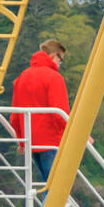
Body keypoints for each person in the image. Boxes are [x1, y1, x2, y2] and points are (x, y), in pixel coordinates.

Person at [10, 39, 70, 198]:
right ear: (54, 55)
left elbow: (15, 116)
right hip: (51, 142)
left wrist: (22, 141)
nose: (59, 64)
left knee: (48, 186)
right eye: (60, 59)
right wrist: (74, 135)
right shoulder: (54, 77)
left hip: (31, 142)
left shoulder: (22, 77)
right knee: (55, 191)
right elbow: (60, 114)